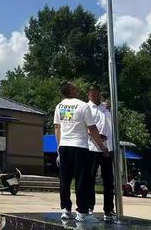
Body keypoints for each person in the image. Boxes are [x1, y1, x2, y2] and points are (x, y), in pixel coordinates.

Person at [54, 82, 109, 223]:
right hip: (79, 147)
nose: (77, 87)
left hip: (64, 146)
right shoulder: (83, 106)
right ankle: (82, 212)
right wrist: (102, 147)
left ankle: (66, 209)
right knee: (81, 180)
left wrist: (59, 147)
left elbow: (57, 128)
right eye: (74, 87)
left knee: (65, 180)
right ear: (71, 91)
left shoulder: (59, 106)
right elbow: (92, 130)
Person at [87, 85, 115, 221]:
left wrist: (111, 108)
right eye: (93, 95)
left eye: (97, 94)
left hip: (108, 148)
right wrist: (99, 138)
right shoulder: (86, 108)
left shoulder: (106, 107)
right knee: (90, 179)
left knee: (109, 181)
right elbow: (88, 129)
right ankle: (88, 207)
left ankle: (109, 209)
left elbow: (115, 121)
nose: (95, 97)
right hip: (93, 148)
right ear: (89, 95)